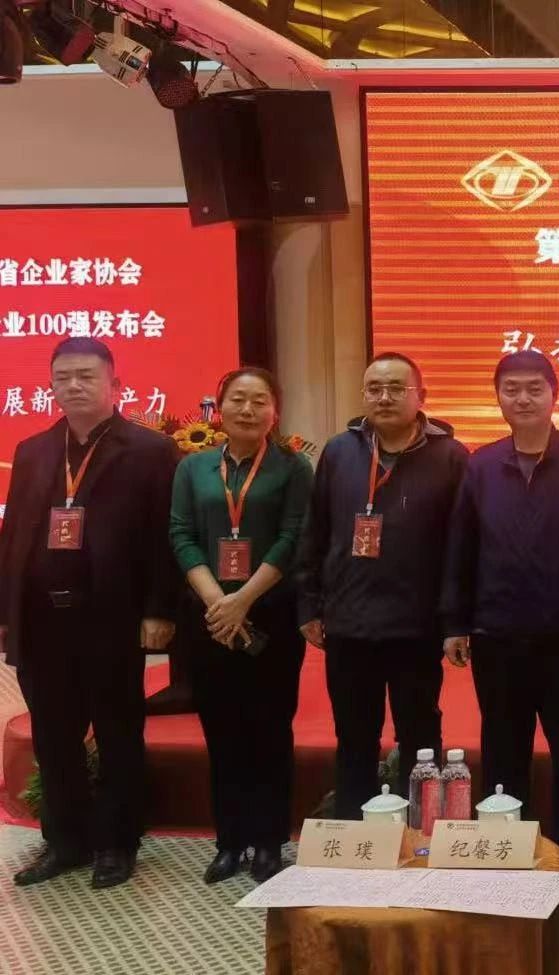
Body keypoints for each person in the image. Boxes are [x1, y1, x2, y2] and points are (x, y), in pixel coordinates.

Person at [0, 338, 178, 889]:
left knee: (118, 732)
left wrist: (158, 610)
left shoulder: (150, 451)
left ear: (115, 385)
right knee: (54, 736)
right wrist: (6, 611)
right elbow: (13, 536)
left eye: (86, 376)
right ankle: (66, 842)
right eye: (63, 377)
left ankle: (118, 844)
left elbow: (163, 538)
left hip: (111, 617)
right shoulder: (33, 450)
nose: (73, 386)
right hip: (42, 620)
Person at [442, 350, 559, 896]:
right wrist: (456, 622)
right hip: (497, 632)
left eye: (534, 388)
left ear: (554, 394)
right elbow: (461, 547)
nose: (523, 398)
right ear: (498, 397)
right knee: (503, 745)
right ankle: (507, 845)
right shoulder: (481, 464)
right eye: (511, 388)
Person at [298, 353, 467, 823]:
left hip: (417, 624)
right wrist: (309, 603)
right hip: (348, 622)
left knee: (420, 734)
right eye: (374, 388)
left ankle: (421, 830)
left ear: (421, 396)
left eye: (397, 388)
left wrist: (454, 619)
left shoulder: (451, 457)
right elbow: (316, 531)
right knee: (354, 734)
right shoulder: (339, 451)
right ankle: (356, 832)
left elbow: (461, 546)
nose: (384, 397)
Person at [169, 367, 313, 884]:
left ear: (275, 411)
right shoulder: (194, 467)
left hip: (271, 616)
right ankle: (229, 842)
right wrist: (218, 601)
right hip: (209, 619)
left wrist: (244, 599)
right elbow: (181, 533)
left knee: (270, 729)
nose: (247, 410)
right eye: (237, 399)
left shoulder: (293, 468)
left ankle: (270, 842)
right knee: (221, 730)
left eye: (259, 400)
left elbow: (294, 536)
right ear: (219, 408)